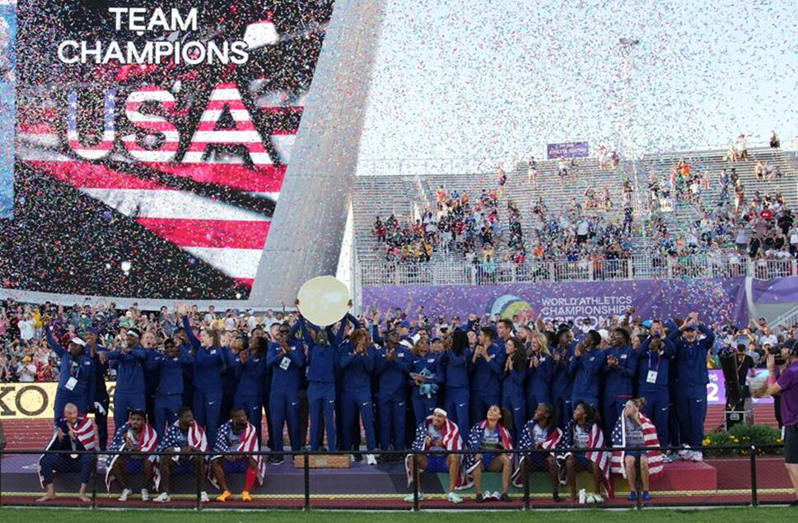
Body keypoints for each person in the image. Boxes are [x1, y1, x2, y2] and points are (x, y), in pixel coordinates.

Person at [668, 313, 714, 461]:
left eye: (692, 330)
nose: (689, 333)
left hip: (698, 387)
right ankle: (687, 445)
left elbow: (711, 336)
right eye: (688, 330)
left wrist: (698, 323)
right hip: (682, 387)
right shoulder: (679, 345)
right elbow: (668, 341)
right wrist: (681, 327)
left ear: (696, 332)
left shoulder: (702, 345)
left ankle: (697, 448)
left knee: (697, 418)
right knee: (684, 418)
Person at [179, 306, 226, 447]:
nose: (201, 338)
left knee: (211, 423)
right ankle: (199, 451)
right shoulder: (198, 347)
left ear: (211, 338)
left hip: (213, 391)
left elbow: (221, 364)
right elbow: (189, 333)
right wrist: (184, 318)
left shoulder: (218, 350)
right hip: (198, 391)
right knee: (198, 422)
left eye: (204, 335)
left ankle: (211, 452)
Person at [37, 403, 96, 503]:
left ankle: (82, 492)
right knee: (45, 459)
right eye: (69, 414)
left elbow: (86, 444)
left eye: (74, 413)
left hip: (80, 461)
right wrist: (62, 436)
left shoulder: (85, 423)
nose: (73, 416)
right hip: (65, 461)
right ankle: (50, 492)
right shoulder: (61, 426)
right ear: (65, 414)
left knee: (88, 458)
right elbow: (54, 447)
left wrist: (68, 430)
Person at [404, 408, 464, 504]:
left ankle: (452, 493)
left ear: (445, 419)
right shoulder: (424, 427)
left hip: (444, 461)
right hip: (429, 460)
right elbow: (417, 446)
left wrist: (444, 444)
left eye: (439, 416)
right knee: (412, 457)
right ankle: (418, 493)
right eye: (435, 415)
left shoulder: (452, 429)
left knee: (455, 456)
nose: (436, 418)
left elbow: (457, 446)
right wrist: (426, 444)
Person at [609, 399, 664, 502]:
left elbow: (649, 432)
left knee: (643, 462)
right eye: (625, 407)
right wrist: (625, 417)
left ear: (636, 408)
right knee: (629, 461)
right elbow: (615, 436)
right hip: (630, 449)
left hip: (643, 449)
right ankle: (633, 491)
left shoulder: (645, 420)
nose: (626, 409)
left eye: (629, 407)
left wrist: (635, 418)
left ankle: (646, 491)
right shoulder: (622, 421)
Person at [764, 339, 798, 505]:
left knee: (792, 463)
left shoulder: (792, 371)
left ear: (791, 351)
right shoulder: (790, 371)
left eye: (784, 348)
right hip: (793, 419)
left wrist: (771, 370)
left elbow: (772, 390)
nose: (781, 351)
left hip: (794, 421)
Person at [153, 407, 209, 503]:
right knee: (164, 459)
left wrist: (180, 450)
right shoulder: (172, 429)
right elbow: (164, 449)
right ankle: (166, 494)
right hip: (177, 458)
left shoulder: (198, 430)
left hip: (192, 458)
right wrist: (182, 450)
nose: (191, 419)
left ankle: (202, 492)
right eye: (187, 417)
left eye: (191, 416)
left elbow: (200, 449)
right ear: (180, 418)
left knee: (199, 458)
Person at [43, 317, 96, 419]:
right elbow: (51, 342)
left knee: (80, 425)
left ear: (82, 347)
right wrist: (46, 327)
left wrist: (91, 401)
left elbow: (92, 382)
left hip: (80, 396)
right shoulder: (64, 355)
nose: (72, 346)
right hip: (63, 395)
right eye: (71, 344)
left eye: (75, 345)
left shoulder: (88, 361)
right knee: (59, 422)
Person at [267, 321, 305, 460]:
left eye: (286, 332)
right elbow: (268, 363)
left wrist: (288, 351)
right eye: (281, 332)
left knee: (293, 421)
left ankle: (295, 452)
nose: (283, 335)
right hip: (277, 390)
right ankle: (278, 453)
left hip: (292, 390)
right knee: (277, 422)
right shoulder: (273, 346)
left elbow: (300, 363)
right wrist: (280, 355)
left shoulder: (297, 345)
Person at [559, 402, 611, 503]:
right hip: (578, 456)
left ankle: (597, 493)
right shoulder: (571, 426)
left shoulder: (593, 427)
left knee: (596, 462)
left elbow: (596, 447)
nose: (574, 411)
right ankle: (573, 494)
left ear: (584, 414)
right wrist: (571, 451)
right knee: (569, 461)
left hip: (590, 456)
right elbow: (567, 443)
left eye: (578, 409)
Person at [210, 407, 265, 502]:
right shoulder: (224, 428)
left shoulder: (251, 429)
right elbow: (220, 446)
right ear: (234, 419)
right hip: (228, 460)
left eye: (244, 415)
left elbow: (249, 447)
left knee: (253, 459)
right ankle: (226, 491)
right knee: (215, 461)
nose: (244, 418)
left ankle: (246, 492)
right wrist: (227, 454)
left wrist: (238, 454)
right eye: (241, 416)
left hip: (243, 460)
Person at [340, 328, 377, 464]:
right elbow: (342, 364)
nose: (362, 341)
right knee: (348, 422)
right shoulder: (347, 349)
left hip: (363, 390)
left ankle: (371, 452)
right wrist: (355, 353)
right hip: (348, 391)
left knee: (368, 421)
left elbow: (370, 367)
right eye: (359, 338)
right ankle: (349, 451)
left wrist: (364, 353)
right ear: (354, 339)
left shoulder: (370, 350)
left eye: (364, 338)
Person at [635, 321, 676, 448]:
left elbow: (673, 349)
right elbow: (639, 352)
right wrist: (650, 336)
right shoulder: (644, 354)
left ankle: (662, 450)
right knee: (644, 421)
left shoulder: (665, 354)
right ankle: (645, 449)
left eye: (656, 340)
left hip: (661, 391)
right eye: (653, 339)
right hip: (645, 391)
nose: (655, 341)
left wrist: (663, 336)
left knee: (662, 422)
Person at [463, 405, 514, 502]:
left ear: (499, 416)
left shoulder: (503, 430)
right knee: (475, 460)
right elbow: (471, 443)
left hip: (493, 461)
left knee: (506, 460)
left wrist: (501, 450)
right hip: (480, 460)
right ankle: (478, 494)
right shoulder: (478, 427)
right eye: (489, 409)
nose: (490, 411)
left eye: (494, 410)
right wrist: (477, 452)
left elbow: (507, 447)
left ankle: (504, 493)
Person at [513, 403, 563, 501]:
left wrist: (541, 447)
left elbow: (553, 444)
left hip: (545, 456)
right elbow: (524, 441)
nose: (536, 411)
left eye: (539, 410)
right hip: (533, 456)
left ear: (547, 414)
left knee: (552, 461)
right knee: (524, 462)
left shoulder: (553, 429)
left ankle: (555, 493)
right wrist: (534, 447)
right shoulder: (530, 426)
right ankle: (526, 494)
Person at [105, 409, 159, 501]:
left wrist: (136, 448)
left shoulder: (151, 432)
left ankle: (144, 489)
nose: (135, 422)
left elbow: (151, 449)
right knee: (114, 462)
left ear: (143, 421)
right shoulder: (124, 431)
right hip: (129, 458)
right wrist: (123, 445)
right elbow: (115, 445)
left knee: (150, 461)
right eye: (133, 419)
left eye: (138, 420)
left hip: (143, 458)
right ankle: (125, 489)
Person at [301, 315, 337, 451]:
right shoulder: (312, 347)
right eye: (319, 335)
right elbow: (305, 332)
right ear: (315, 337)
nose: (322, 337)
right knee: (314, 420)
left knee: (329, 421)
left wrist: (343, 316)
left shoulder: (332, 348)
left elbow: (338, 335)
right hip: (314, 387)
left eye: (325, 335)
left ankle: (332, 449)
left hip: (328, 387)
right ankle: (314, 448)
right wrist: (301, 315)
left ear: (327, 337)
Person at [374, 329, 412, 452]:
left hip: (399, 393)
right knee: (384, 423)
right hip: (384, 392)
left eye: (398, 334)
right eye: (394, 334)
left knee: (399, 423)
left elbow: (408, 369)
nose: (397, 336)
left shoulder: (405, 352)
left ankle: (399, 451)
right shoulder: (379, 352)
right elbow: (375, 371)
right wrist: (387, 361)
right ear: (388, 337)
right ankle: (385, 450)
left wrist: (395, 360)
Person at [225, 335, 267, 446]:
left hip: (254, 395)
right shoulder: (244, 354)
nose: (250, 342)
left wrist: (247, 362)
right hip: (240, 394)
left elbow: (257, 375)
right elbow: (237, 375)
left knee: (254, 423)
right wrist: (241, 363)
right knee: (237, 421)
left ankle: (255, 449)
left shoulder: (262, 358)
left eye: (252, 341)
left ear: (258, 345)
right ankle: (238, 446)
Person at [149, 339, 193, 438]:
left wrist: (180, 346)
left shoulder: (181, 360)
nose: (169, 349)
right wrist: (155, 350)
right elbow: (151, 367)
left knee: (174, 427)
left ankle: (173, 449)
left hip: (175, 397)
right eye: (167, 347)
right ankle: (160, 451)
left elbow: (190, 359)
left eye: (172, 346)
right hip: (161, 397)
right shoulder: (162, 360)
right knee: (159, 427)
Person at [106, 328, 148, 430]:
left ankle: (141, 444)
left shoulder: (141, 350)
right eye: (127, 335)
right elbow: (111, 358)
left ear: (138, 339)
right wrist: (117, 349)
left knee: (140, 423)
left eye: (131, 335)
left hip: (137, 393)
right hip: (121, 392)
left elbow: (143, 355)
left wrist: (128, 351)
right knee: (120, 424)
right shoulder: (121, 351)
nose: (128, 337)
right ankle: (119, 445)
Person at [602, 328, 638, 437]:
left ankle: (624, 449)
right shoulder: (606, 352)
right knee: (609, 422)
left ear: (623, 337)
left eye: (616, 335)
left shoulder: (630, 352)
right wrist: (609, 366)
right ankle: (610, 448)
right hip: (609, 393)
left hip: (624, 392)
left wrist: (618, 367)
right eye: (612, 336)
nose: (613, 338)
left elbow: (632, 372)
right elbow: (600, 372)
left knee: (624, 421)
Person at [471, 327, 506, 424]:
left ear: (487, 337)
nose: (478, 337)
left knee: (493, 420)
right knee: (478, 421)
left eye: (481, 335)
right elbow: (470, 370)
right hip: (478, 392)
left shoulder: (498, 350)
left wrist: (485, 356)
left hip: (492, 392)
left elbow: (498, 370)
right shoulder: (477, 348)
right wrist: (474, 356)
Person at [442, 329, 472, 435]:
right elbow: (439, 361)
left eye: (453, 337)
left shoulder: (466, 351)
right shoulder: (450, 351)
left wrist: (449, 349)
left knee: (462, 420)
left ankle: (463, 446)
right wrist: (444, 349)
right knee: (450, 419)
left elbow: (457, 362)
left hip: (461, 390)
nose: (451, 340)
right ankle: (452, 444)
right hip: (449, 389)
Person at [409, 337, 442, 426]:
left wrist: (427, 379)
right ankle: (420, 439)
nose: (425, 345)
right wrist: (414, 382)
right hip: (417, 395)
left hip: (430, 395)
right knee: (419, 422)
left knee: (431, 421)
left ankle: (431, 439)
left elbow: (440, 378)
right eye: (421, 343)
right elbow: (408, 378)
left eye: (427, 342)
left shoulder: (435, 358)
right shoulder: (412, 359)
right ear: (416, 345)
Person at [570, 330, 605, 409]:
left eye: (587, 337)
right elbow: (571, 370)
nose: (583, 338)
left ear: (592, 341)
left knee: (591, 417)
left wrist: (583, 355)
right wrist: (576, 357)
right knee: (576, 417)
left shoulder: (599, 354)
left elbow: (593, 370)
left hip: (590, 393)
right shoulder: (578, 352)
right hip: (577, 392)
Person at [502, 336, 527, 443]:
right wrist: (506, 369)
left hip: (517, 397)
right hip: (505, 396)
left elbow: (520, 380)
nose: (506, 347)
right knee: (508, 425)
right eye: (506, 345)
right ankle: (510, 451)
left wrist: (511, 369)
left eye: (509, 345)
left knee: (518, 425)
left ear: (516, 348)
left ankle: (520, 452)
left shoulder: (521, 361)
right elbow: (501, 378)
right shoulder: (505, 358)